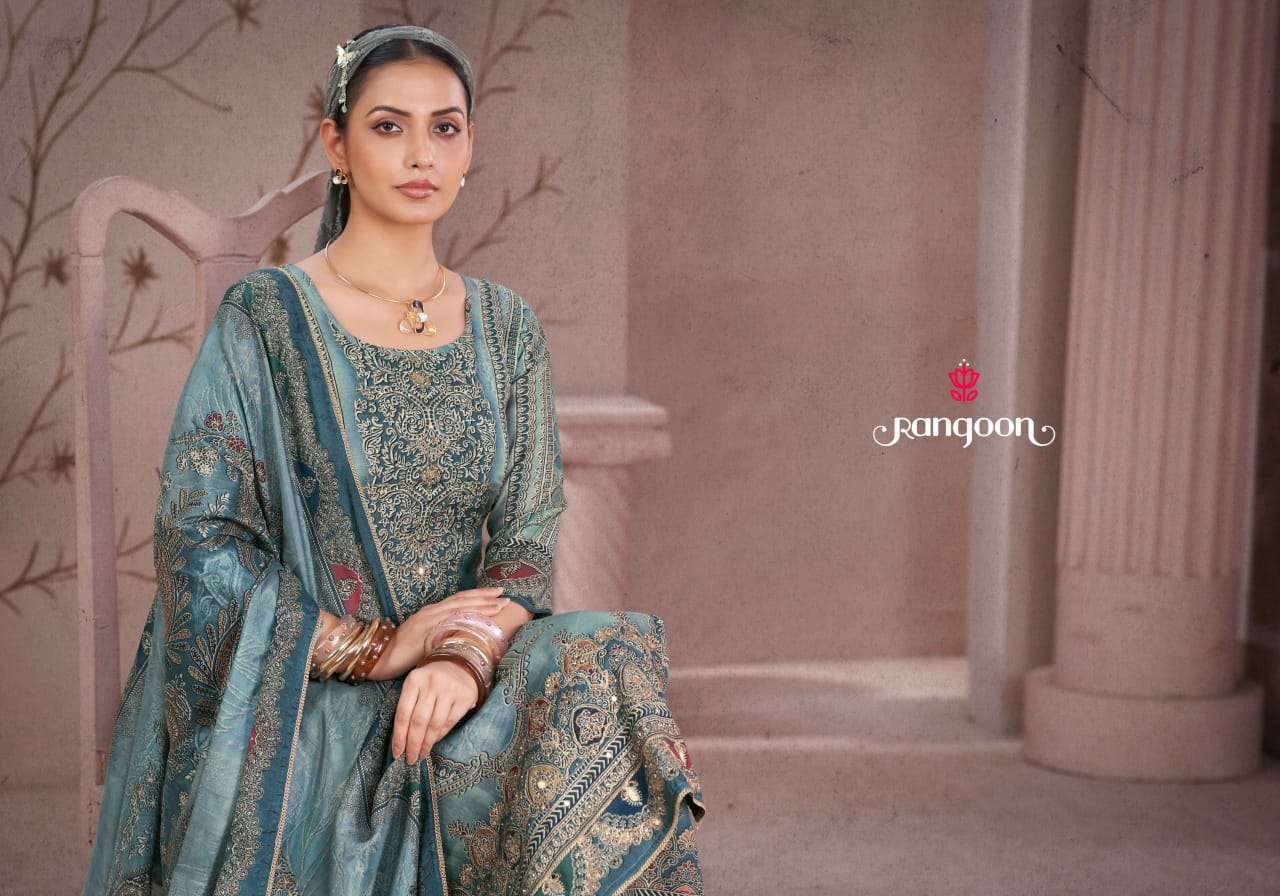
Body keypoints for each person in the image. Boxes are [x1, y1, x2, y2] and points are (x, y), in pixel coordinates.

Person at [81, 23, 706, 896]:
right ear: (336, 145)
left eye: (444, 128)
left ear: (469, 146)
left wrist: (460, 658)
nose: (421, 154)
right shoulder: (267, 319)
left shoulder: (507, 327)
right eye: (387, 126)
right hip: (310, 694)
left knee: (604, 654)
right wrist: (379, 648)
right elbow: (199, 542)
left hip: (464, 685)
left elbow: (527, 541)